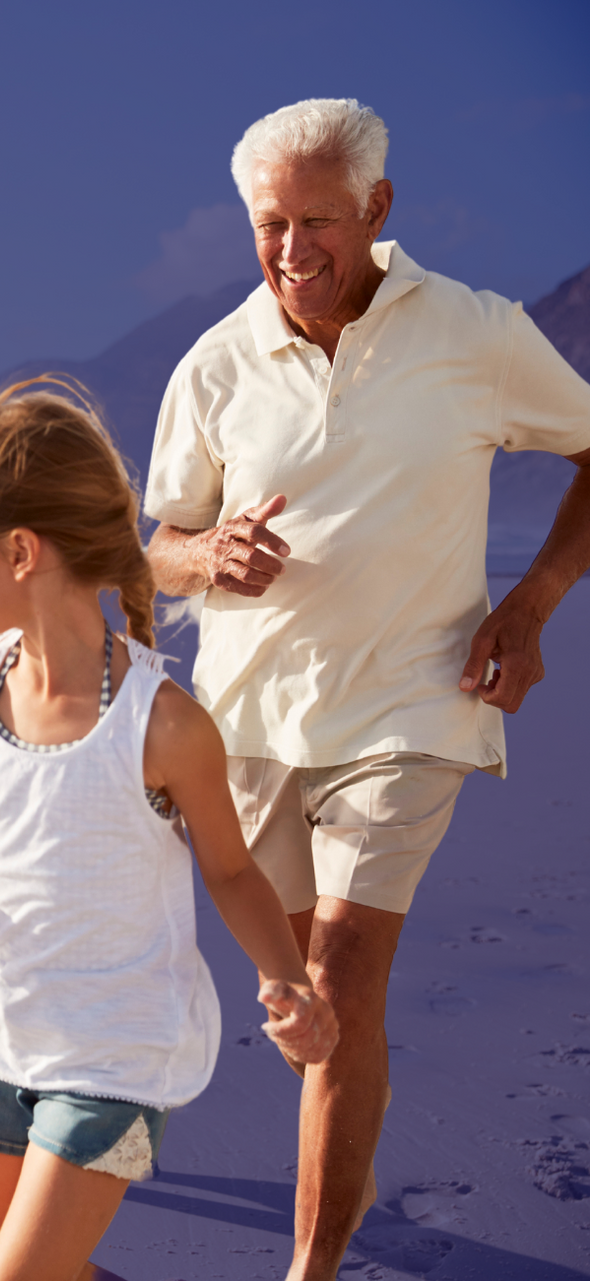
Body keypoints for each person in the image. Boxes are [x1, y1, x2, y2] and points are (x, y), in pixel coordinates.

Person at [144, 98, 590, 1279]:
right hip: (247, 727)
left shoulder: (477, 335)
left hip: (413, 704)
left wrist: (533, 602)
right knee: (305, 1019)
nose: (292, 252)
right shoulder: (216, 363)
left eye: (316, 224)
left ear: (379, 210)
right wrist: (205, 558)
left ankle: (313, 1264)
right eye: (270, 225)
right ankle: (353, 1134)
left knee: (340, 989)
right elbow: (155, 542)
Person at [0, 381, 339, 1281]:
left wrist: (288, 979)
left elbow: (230, 873)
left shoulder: (165, 725)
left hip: (116, 1054)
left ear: (21, 550)